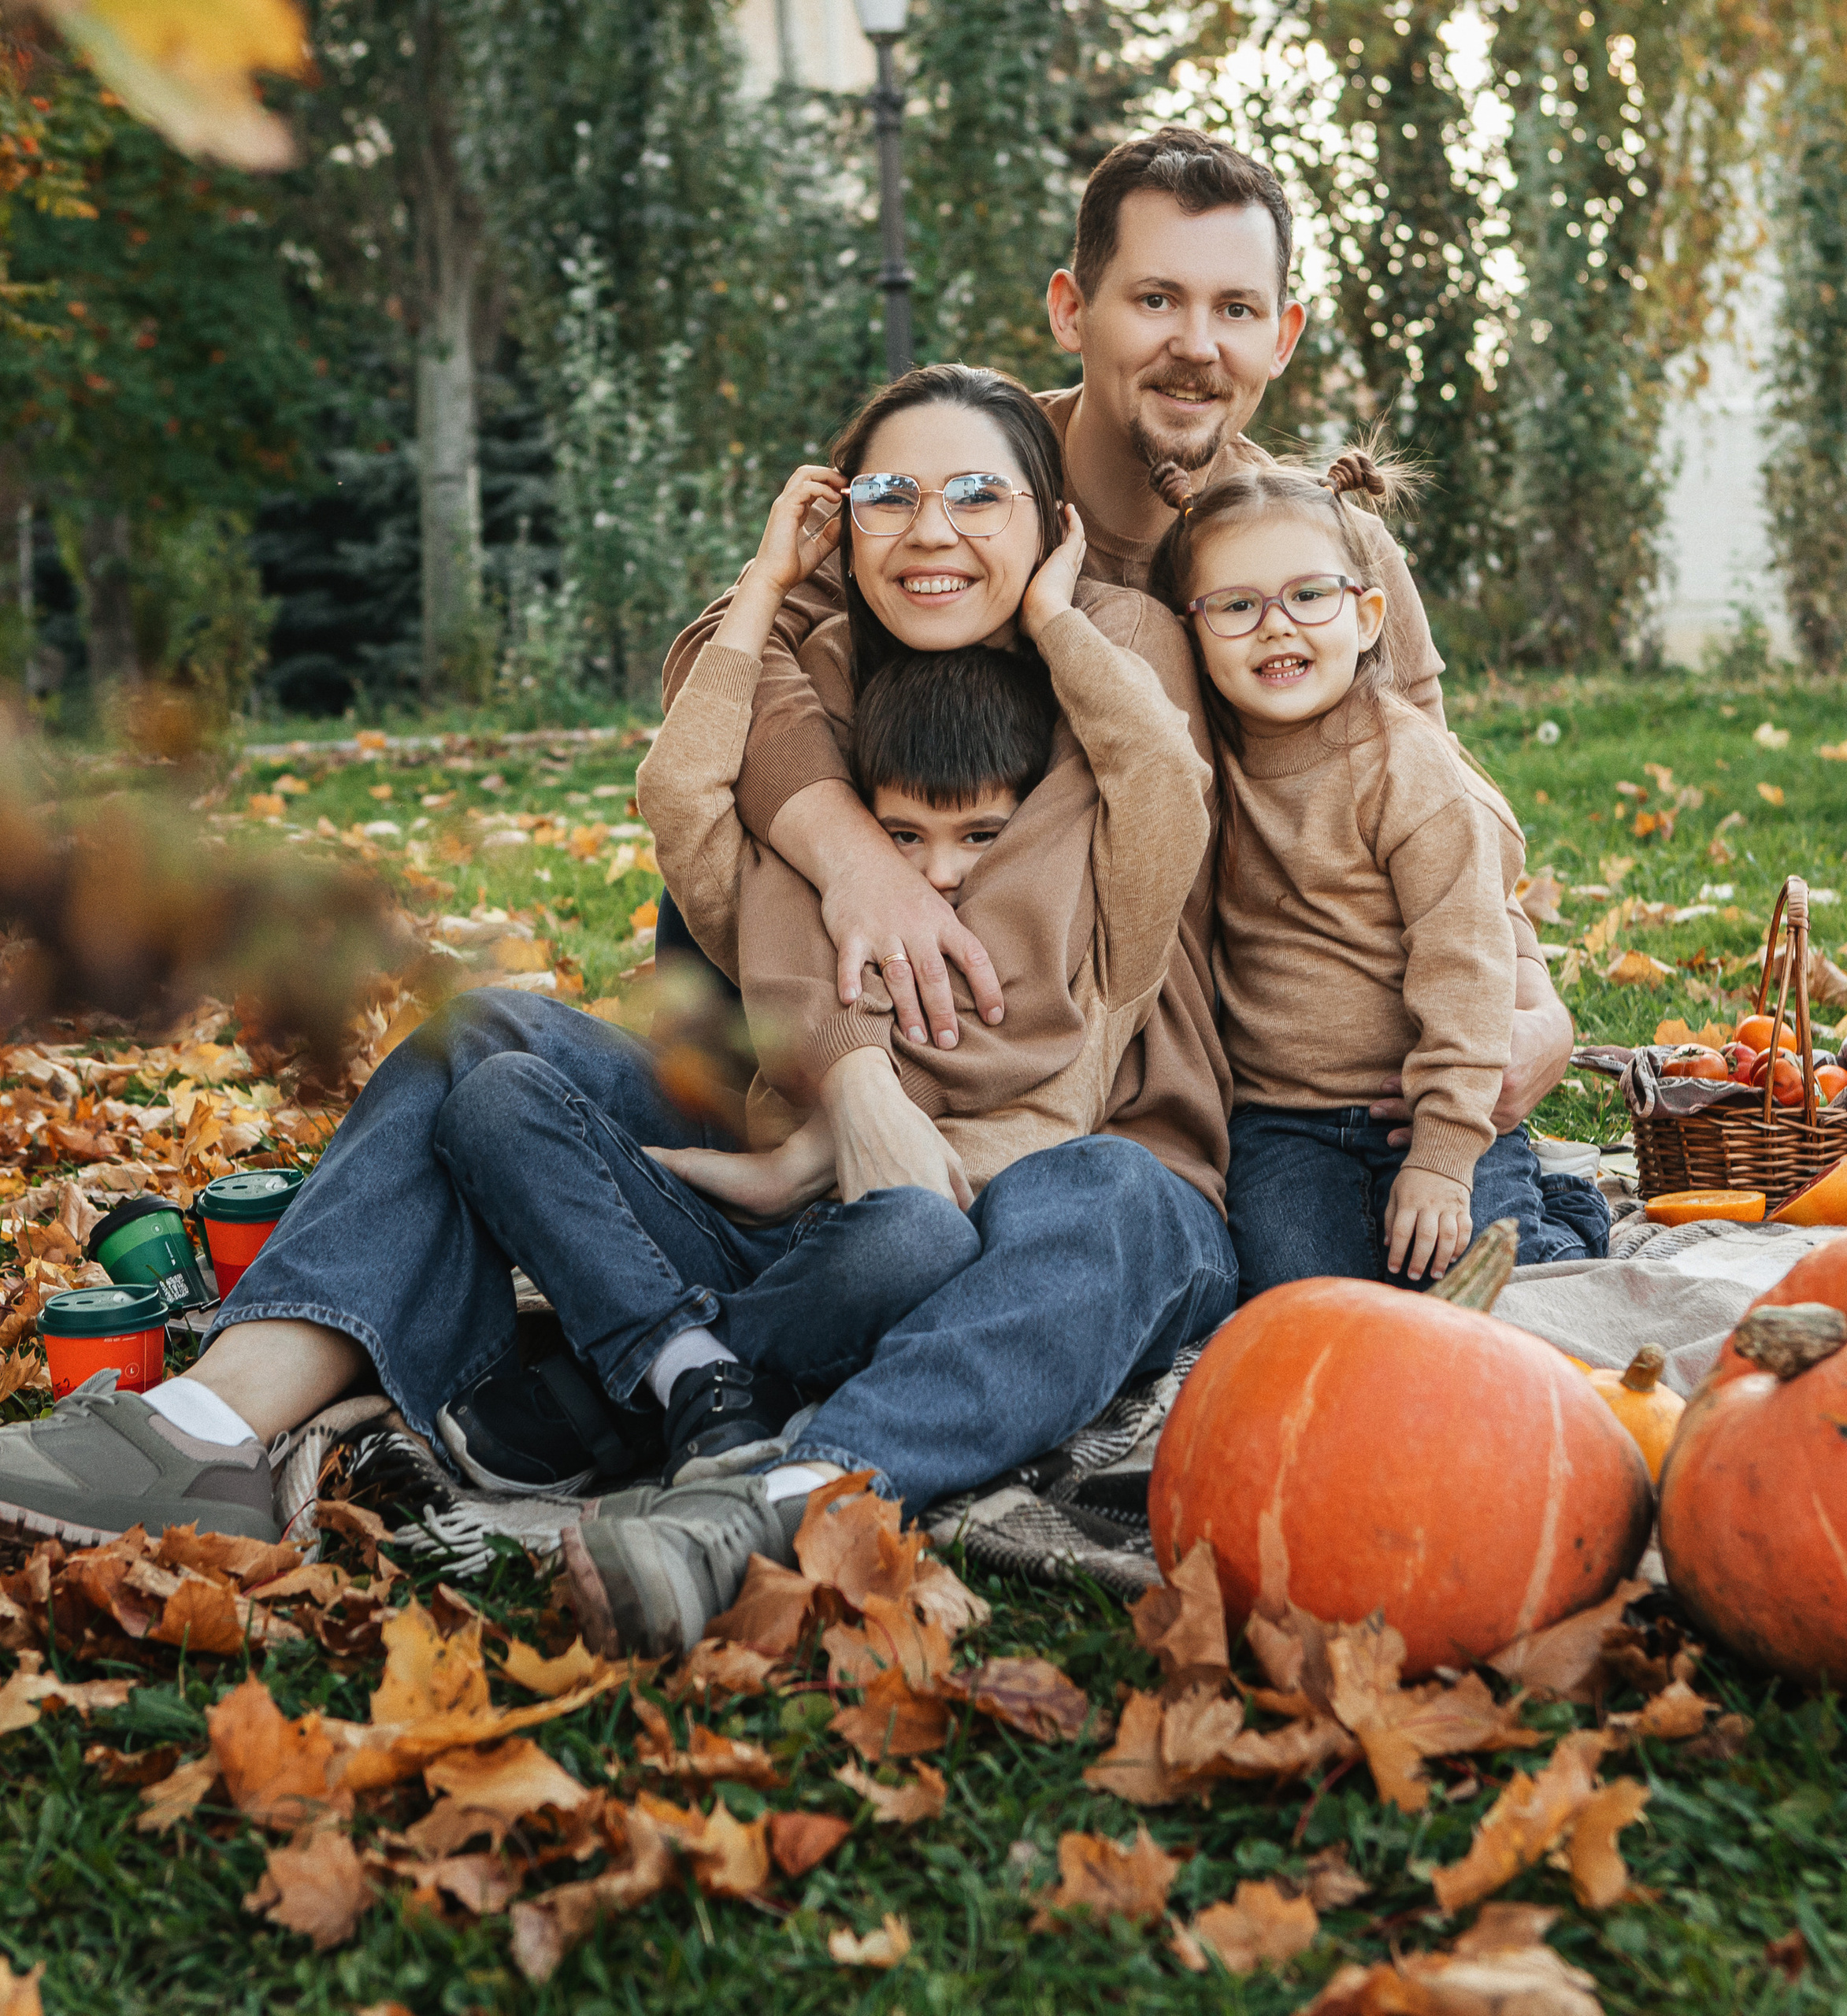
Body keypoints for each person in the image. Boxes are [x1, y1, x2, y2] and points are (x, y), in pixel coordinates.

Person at [655, 124, 1574, 1162]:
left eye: (1236, 309)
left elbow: (1430, 807)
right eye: (1155, 300)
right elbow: (716, 656)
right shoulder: (963, 483)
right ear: (1069, 310)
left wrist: (1540, 1011)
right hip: (912, 959)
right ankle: (758, 1124)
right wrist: (854, 855)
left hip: (1170, 1009)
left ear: (1283, 336)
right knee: (746, 795)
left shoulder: (1316, 554)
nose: (1196, 343)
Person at [561, 366, 1230, 1658]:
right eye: (892, 497)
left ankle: (780, 1503)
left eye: (982, 496)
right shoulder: (807, 806)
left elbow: (1161, 778)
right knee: (491, 1061)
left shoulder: (1102, 824)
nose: (942, 868)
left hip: (1072, 1190)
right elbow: (690, 790)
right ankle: (701, 1412)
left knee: (1102, 1205)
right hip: (872, 1228)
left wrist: (1052, 614)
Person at [1149, 450, 1588, 1294]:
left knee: (1478, 1287)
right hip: (1284, 1119)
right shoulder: (1215, 759)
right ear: (1192, 630)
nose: (1277, 625)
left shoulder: (1406, 768)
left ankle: (1560, 1218)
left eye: (1309, 596)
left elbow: (1465, 955)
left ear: (1367, 615)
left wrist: (1445, 1150)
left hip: (1435, 1099)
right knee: (1301, 1292)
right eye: (1237, 606)